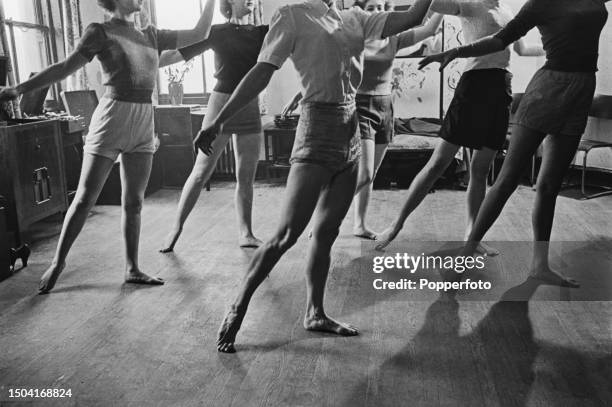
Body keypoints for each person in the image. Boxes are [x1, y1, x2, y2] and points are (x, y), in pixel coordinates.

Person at [194, 0, 435, 352]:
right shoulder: (291, 15)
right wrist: (217, 121)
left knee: (326, 233)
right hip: (316, 128)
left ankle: (315, 313)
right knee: (286, 234)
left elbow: (414, 17)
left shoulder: (357, 19)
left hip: (350, 129)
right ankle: (238, 306)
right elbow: (262, 71)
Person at [0, 0, 215, 293]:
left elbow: (200, 32)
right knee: (86, 198)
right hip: (111, 119)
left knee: (135, 201)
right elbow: (64, 68)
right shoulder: (99, 31)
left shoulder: (152, 34)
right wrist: (19, 89)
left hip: (142, 119)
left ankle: (132, 268)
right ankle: (58, 263)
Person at [419, 0, 610, 286]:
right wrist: (458, 51)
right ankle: (465, 257)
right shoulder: (540, 3)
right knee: (507, 179)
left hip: (583, 90)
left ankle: (539, 266)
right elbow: (500, 39)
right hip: (548, 89)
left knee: (549, 186)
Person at [375, 0, 544, 253]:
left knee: (480, 170)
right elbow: (432, 4)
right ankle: (396, 225)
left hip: (501, 87)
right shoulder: (470, 5)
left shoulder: (509, 11)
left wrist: (554, 47)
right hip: (474, 85)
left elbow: (521, 49)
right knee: (437, 163)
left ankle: (472, 238)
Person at [159, 0, 269, 252]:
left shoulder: (263, 32)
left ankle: (246, 233)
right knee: (200, 172)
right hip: (220, 103)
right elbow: (178, 54)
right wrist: (141, 63)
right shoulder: (217, 31)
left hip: (249, 105)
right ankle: (175, 229)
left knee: (246, 176)